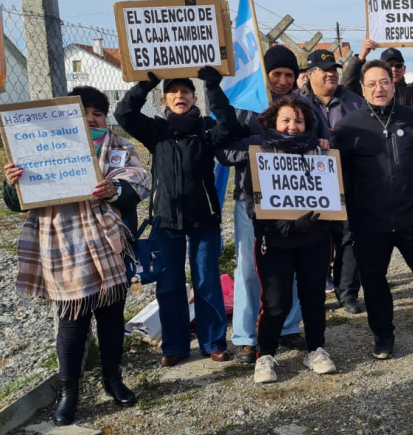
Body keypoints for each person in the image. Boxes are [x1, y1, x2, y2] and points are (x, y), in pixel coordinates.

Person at [3, 86, 149, 425]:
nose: (91, 118)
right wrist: (13, 184)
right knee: (72, 322)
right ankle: (69, 391)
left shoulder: (119, 149)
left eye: (98, 113)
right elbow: (15, 202)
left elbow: (138, 183)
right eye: (83, 112)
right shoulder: (39, 149)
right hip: (63, 248)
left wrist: (116, 190)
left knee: (112, 316)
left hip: (109, 245)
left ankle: (113, 379)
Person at [114, 66, 248, 366]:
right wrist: (145, 83)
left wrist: (213, 87)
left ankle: (213, 342)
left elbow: (230, 126)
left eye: (185, 92)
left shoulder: (205, 129)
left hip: (204, 218)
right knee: (170, 284)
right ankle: (173, 347)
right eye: (173, 92)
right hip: (165, 220)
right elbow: (123, 114)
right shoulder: (156, 131)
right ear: (164, 100)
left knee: (206, 280)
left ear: (193, 97)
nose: (179, 96)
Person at [332, 60, 413, 359]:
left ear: (394, 84)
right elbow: (335, 172)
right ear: (362, 89)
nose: (380, 88)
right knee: (374, 280)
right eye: (372, 83)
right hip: (369, 221)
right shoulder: (348, 127)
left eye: (385, 82)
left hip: (412, 216)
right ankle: (383, 334)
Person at [217, 96, 337, 383]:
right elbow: (250, 199)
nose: (293, 126)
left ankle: (316, 349)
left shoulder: (321, 152)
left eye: (299, 120)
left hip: (314, 237)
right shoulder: (260, 150)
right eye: (286, 120)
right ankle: (266, 355)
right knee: (275, 302)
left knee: (313, 297)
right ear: (273, 122)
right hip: (275, 239)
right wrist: (277, 223)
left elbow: (333, 195)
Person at [228, 45, 323, 363]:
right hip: (251, 200)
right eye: (276, 74)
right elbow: (226, 151)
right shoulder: (244, 107)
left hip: (296, 199)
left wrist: (317, 142)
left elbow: (320, 140)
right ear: (264, 75)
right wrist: (262, 145)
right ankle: (245, 335)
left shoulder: (303, 105)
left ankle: (286, 327)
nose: (282, 80)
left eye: (289, 75)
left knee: (292, 267)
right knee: (249, 268)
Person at [298, 48, 368, 314]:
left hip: (349, 177)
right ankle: (314, 292)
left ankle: (347, 292)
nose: (331, 75)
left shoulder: (355, 102)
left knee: (350, 236)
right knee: (315, 237)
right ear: (310, 74)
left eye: (334, 70)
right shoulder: (297, 102)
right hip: (310, 181)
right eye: (325, 71)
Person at [342, 37, 413, 112]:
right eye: (389, 65)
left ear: (404, 69)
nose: (394, 69)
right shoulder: (371, 92)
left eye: (398, 65)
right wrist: (361, 56)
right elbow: (347, 86)